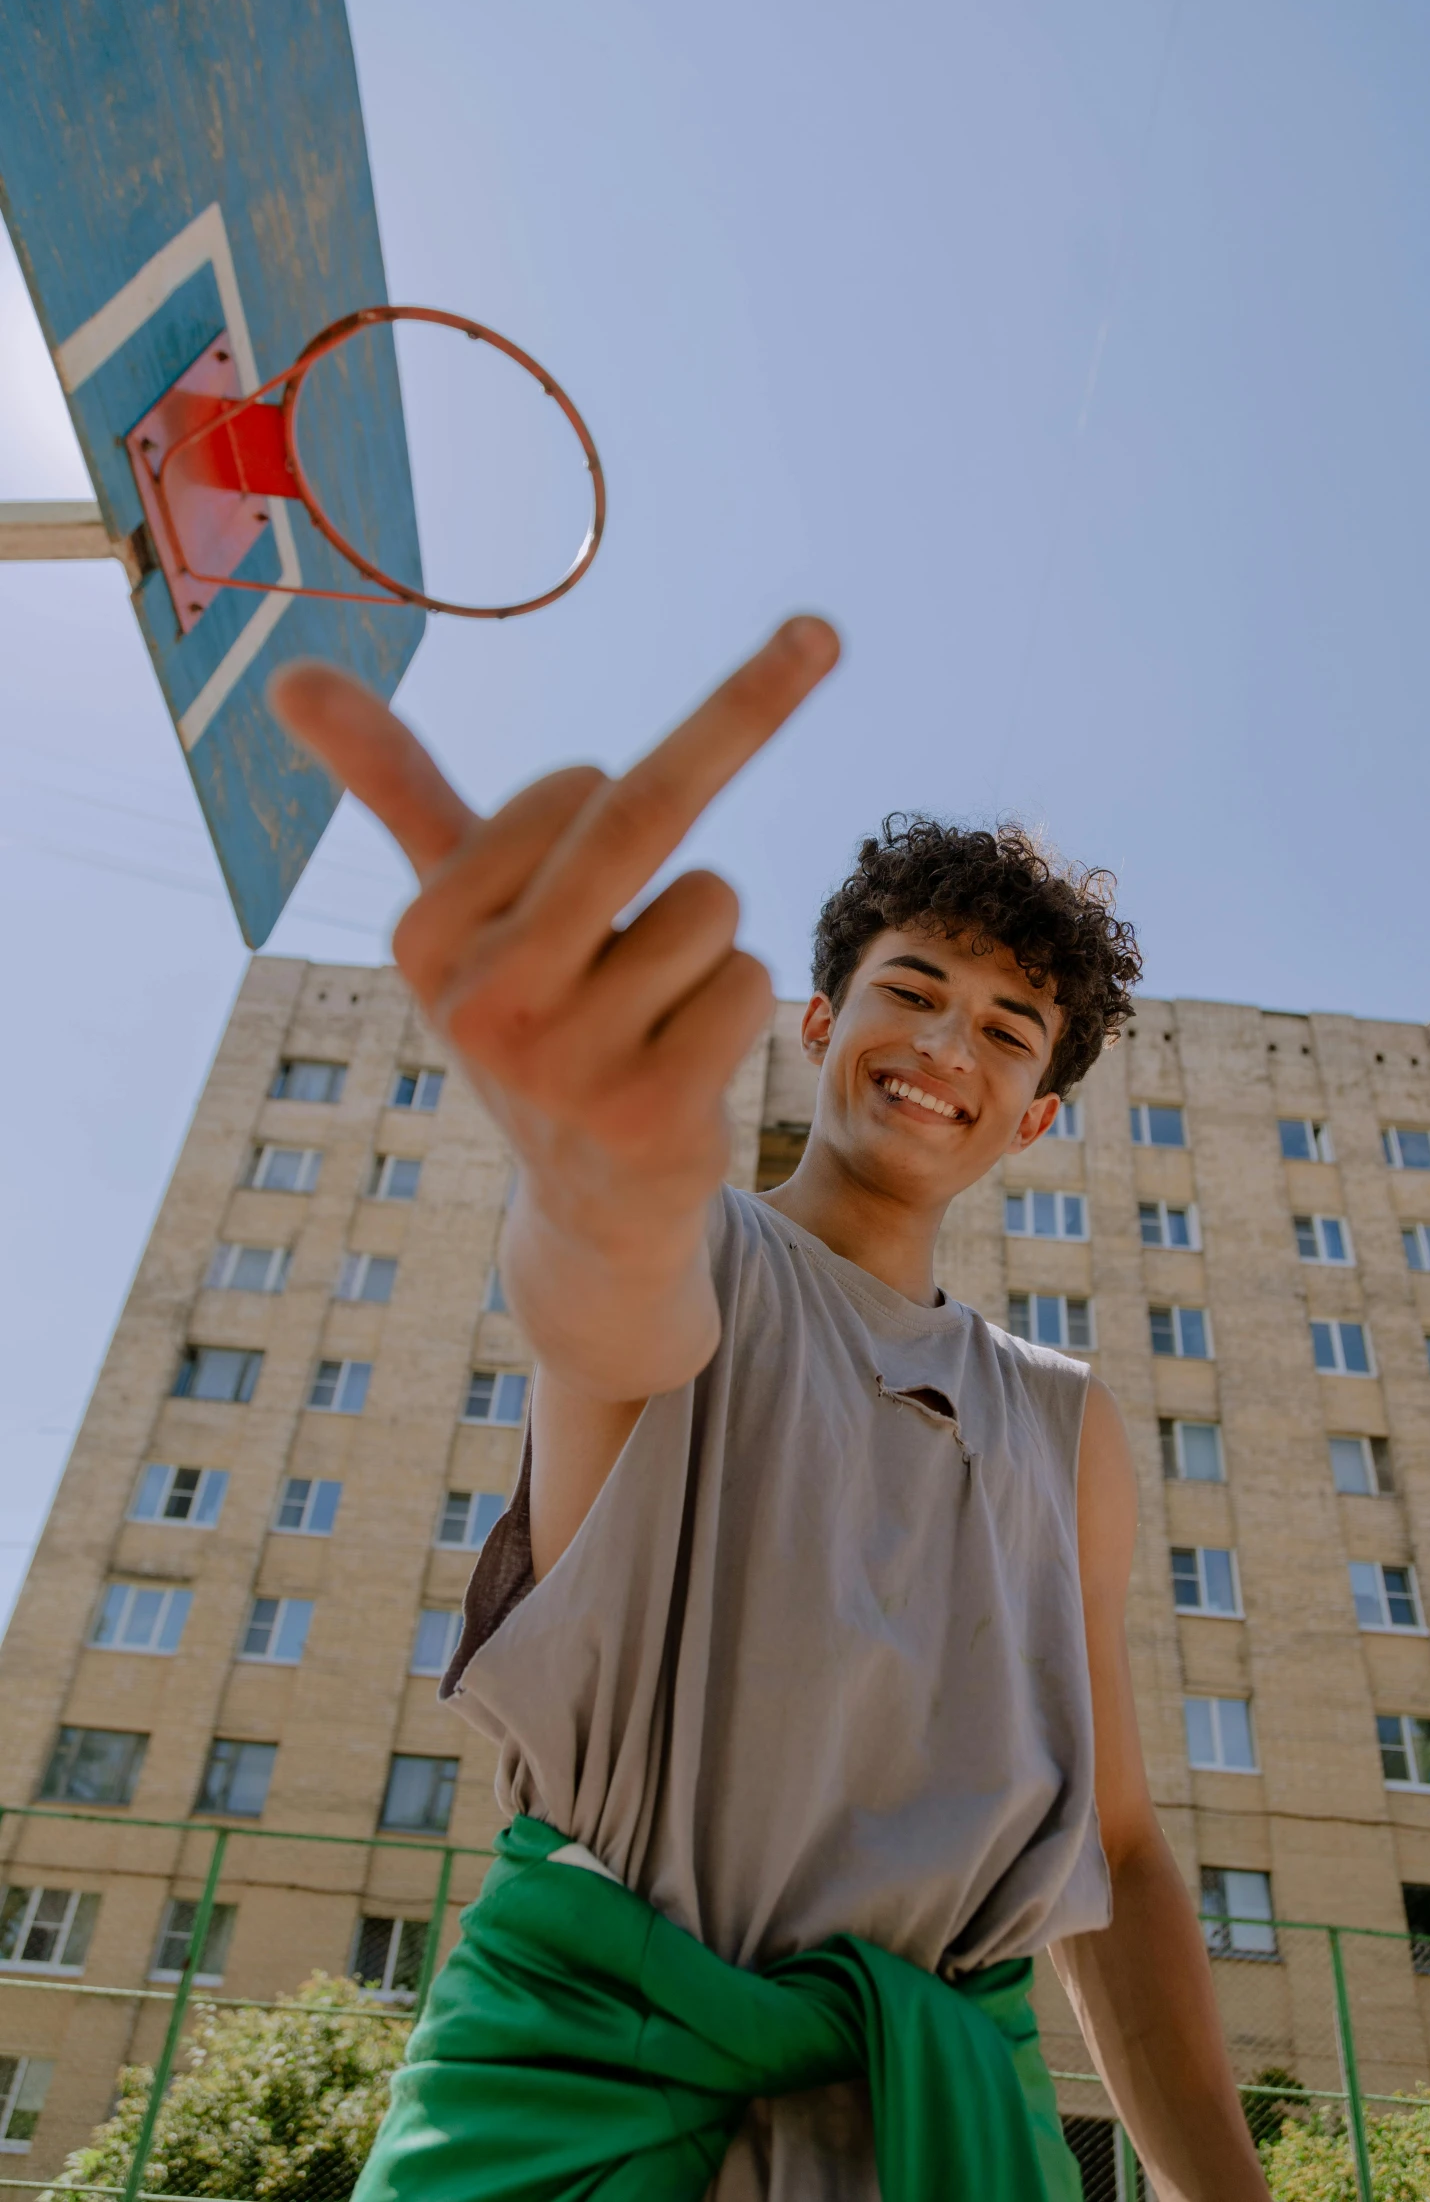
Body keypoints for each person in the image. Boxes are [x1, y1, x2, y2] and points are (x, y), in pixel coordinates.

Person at [272, 619, 1271, 2202]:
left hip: (932, 2132)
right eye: (912, 988)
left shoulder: (1061, 1420)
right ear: (817, 1023)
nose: (947, 1043)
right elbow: (602, 1295)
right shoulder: (695, 1244)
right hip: (586, 2103)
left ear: (1037, 1117)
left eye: (1006, 1031)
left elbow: (1119, 1850)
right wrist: (584, 1168)